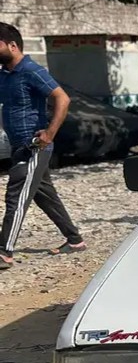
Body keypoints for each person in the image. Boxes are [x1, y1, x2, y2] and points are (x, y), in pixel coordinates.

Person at [0, 22, 85, 270]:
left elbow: (62, 97)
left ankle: (4, 252)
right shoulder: (5, 74)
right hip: (17, 144)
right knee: (45, 196)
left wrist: (49, 133)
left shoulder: (31, 70)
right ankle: (75, 240)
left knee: (16, 194)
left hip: (33, 145)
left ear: (12, 45)